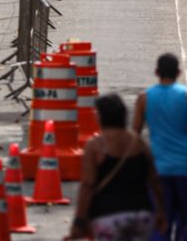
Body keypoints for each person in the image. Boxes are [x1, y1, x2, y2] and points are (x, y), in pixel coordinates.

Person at [133, 54, 187, 241]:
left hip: (158, 171)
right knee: (185, 222)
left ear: (156, 72)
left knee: (161, 221)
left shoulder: (144, 98)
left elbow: (135, 136)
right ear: (178, 73)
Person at [68, 94, 165, 240]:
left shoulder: (95, 146)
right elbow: (154, 180)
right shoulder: (139, 143)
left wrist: (79, 220)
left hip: (107, 216)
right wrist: (161, 211)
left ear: (101, 117)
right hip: (141, 216)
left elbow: (87, 184)